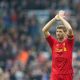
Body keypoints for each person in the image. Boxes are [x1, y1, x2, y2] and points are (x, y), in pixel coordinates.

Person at [42, 11, 74, 80]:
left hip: (67, 74)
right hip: (55, 74)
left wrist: (62, 19)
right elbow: (44, 30)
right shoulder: (53, 42)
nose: (58, 33)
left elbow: (70, 29)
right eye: (57, 31)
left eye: (60, 31)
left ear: (65, 33)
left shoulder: (69, 42)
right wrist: (55, 19)